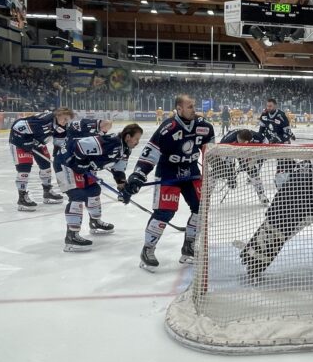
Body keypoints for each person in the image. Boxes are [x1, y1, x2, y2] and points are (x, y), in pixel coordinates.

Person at [124, 94, 214, 271]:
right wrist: (138, 174)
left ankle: (188, 246)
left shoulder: (204, 127)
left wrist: (221, 166)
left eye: (194, 106)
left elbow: (212, 151)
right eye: (189, 106)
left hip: (191, 172)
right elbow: (151, 153)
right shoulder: (168, 128)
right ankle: (148, 249)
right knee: (165, 212)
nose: (193, 109)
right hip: (169, 173)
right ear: (179, 109)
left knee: (201, 207)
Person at [55, 124, 143, 252]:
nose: (137, 143)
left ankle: (95, 222)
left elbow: (118, 169)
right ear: (128, 137)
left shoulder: (125, 150)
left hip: (83, 168)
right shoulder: (112, 142)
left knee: (94, 190)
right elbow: (80, 145)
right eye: (136, 139)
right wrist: (81, 163)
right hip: (66, 163)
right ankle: (71, 236)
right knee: (77, 195)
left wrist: (123, 187)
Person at [9, 107, 73, 211]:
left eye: (67, 120)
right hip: (19, 142)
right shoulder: (43, 121)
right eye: (65, 119)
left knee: (46, 166)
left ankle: (47, 192)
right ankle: (22, 198)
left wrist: (60, 156)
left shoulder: (62, 126)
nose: (66, 122)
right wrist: (26, 143)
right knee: (24, 169)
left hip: (38, 143)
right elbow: (17, 126)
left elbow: (59, 143)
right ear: (58, 115)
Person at [211, 128, 269, 204]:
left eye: (243, 141)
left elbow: (266, 142)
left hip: (245, 152)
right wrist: (230, 174)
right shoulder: (228, 140)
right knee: (217, 172)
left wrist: (259, 158)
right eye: (240, 140)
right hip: (230, 152)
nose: (241, 141)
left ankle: (262, 194)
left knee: (253, 172)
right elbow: (223, 157)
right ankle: (206, 195)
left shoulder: (255, 136)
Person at [258, 97, 294, 188]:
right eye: (267, 106)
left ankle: (282, 177)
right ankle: (254, 174)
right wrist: (260, 140)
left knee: (283, 160)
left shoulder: (281, 115)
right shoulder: (264, 114)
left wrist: (279, 139)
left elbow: (287, 133)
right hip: (269, 141)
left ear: (275, 106)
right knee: (259, 157)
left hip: (280, 143)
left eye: (270, 106)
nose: (268, 108)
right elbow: (261, 130)